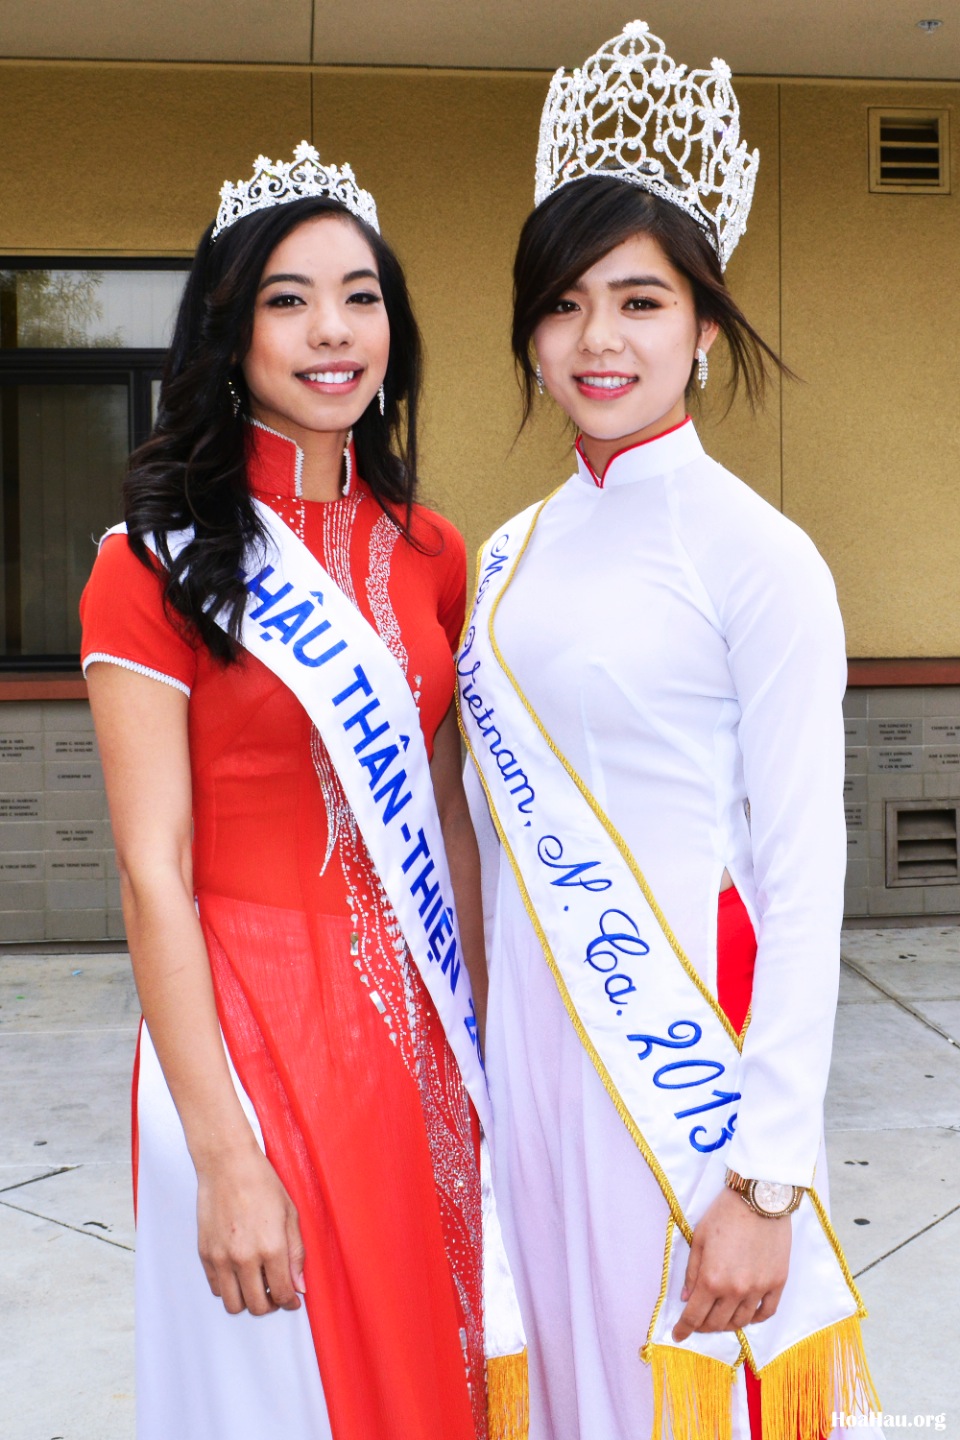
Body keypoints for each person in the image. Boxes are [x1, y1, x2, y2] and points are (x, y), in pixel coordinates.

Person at [460, 23, 877, 1440]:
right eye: (566, 303)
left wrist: (767, 1182)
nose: (598, 339)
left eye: (639, 300)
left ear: (704, 322)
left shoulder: (759, 558)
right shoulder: (508, 556)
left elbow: (811, 879)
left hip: (678, 1073)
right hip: (528, 1066)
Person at [80, 142, 491, 1440]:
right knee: (279, 1393)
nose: (333, 330)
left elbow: (443, 808)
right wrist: (220, 1154)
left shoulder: (433, 554)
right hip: (245, 1036)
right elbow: (152, 869)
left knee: (444, 1370)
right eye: (289, 297)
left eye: (361, 294)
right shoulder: (150, 562)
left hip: (416, 1038)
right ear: (229, 327)